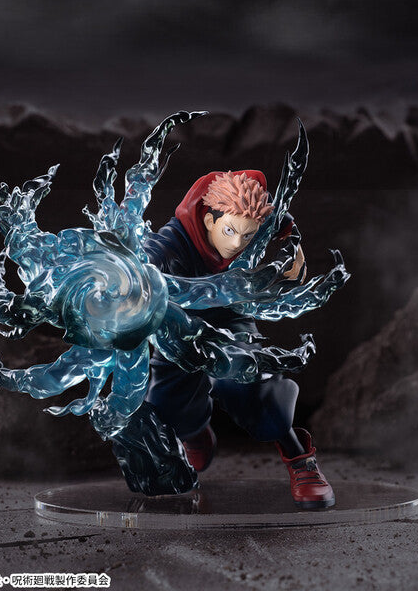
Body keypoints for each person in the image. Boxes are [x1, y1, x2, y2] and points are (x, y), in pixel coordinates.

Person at [143, 170, 334, 509]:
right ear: (209, 219)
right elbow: (145, 259)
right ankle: (194, 433)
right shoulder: (172, 241)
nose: (235, 245)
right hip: (180, 322)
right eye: (229, 232)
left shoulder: (253, 211)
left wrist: (295, 244)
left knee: (247, 379)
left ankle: (299, 458)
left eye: (247, 236)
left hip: (230, 314)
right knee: (163, 403)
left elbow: (278, 216)